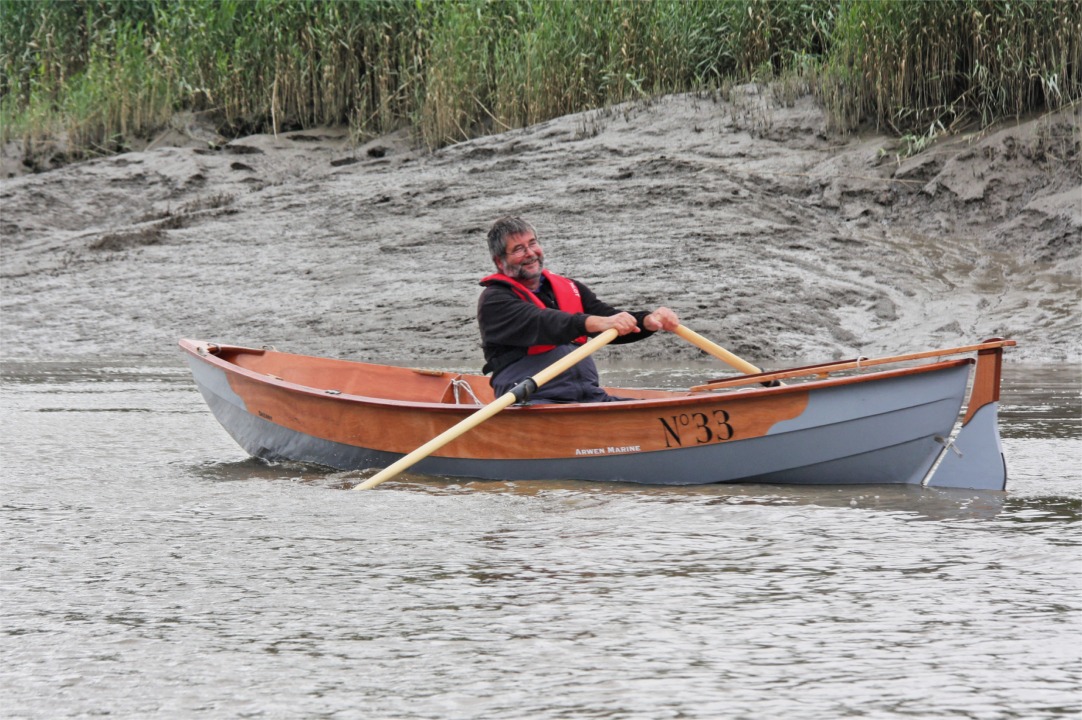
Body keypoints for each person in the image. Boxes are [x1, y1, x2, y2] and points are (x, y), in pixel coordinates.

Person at [477, 216, 680, 403]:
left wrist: (647, 321)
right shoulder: (495, 301)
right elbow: (545, 322)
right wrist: (596, 322)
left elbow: (608, 318)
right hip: (532, 400)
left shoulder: (569, 287)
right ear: (499, 261)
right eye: (518, 249)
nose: (530, 253)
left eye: (532, 243)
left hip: (588, 395)